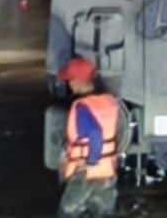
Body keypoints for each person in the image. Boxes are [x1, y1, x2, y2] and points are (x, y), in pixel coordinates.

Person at [56, 57, 121, 218]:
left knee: (67, 213)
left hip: (85, 175)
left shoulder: (82, 107)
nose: (69, 84)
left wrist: (90, 162)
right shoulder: (109, 101)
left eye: (70, 80)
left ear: (79, 81)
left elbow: (95, 134)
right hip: (107, 173)